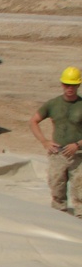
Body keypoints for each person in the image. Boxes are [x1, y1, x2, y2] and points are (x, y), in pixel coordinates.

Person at [29, 66, 82, 216]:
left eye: (72, 85)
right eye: (66, 84)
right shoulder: (53, 104)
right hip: (57, 154)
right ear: (61, 84)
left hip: (78, 155)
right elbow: (33, 121)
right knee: (57, 188)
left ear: (78, 85)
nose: (69, 88)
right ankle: (60, 220)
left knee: (80, 191)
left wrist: (77, 144)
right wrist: (44, 142)